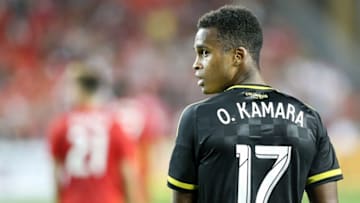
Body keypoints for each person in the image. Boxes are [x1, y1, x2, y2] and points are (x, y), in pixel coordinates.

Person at [167, 5, 343, 203]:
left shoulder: (198, 117)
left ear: (238, 56)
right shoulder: (309, 119)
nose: (196, 63)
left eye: (205, 52)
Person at [47, 61, 143, 203]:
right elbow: (128, 175)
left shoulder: (61, 125)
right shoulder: (115, 126)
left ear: (80, 89)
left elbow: (56, 176)